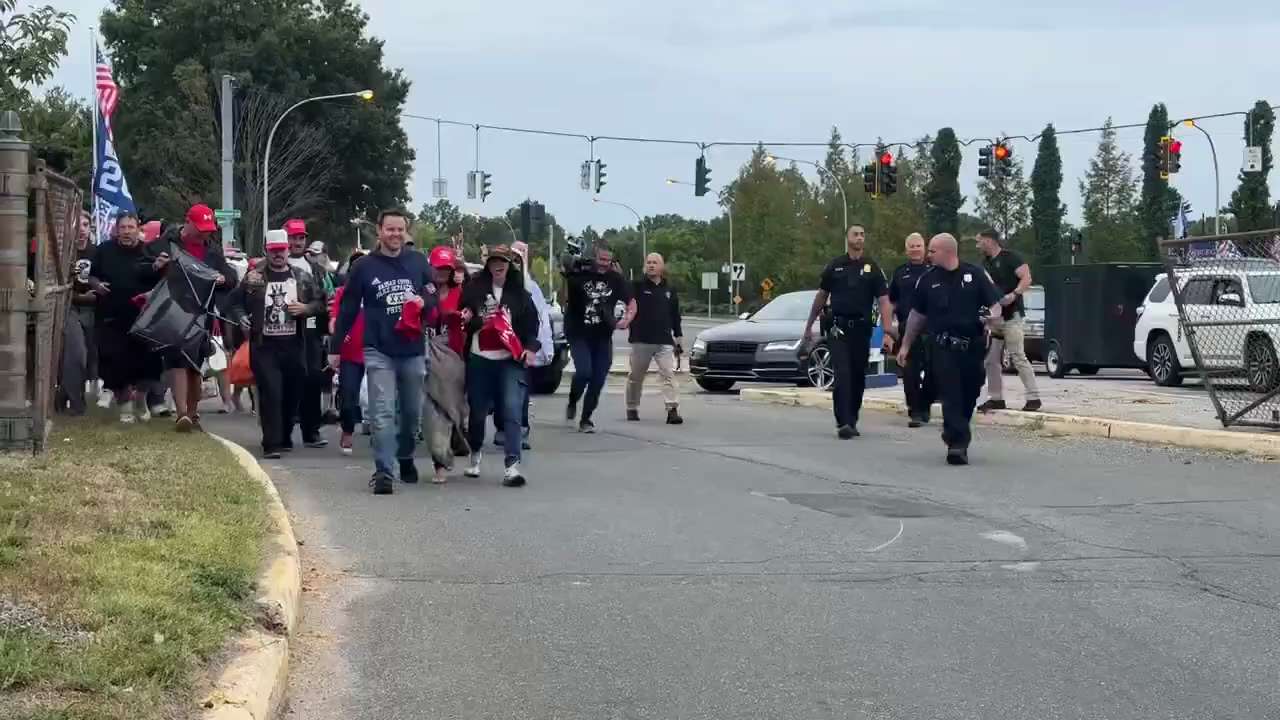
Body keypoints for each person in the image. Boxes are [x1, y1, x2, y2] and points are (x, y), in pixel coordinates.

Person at [331, 209, 434, 495]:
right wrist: (335, 347)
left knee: (411, 414)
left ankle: (405, 454)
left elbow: (433, 294)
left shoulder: (417, 261)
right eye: (390, 229)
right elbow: (348, 308)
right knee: (382, 412)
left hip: (412, 349)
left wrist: (424, 302)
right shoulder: (364, 267)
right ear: (379, 232)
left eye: (400, 229)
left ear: (406, 231)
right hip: (378, 350)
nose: (395, 234)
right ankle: (384, 471)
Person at [897, 233, 1002, 465]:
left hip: (972, 347)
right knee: (951, 393)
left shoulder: (975, 275)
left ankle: (953, 430)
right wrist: (905, 345)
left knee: (970, 393)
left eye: (932, 251)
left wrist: (990, 317)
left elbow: (995, 305)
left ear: (947, 252)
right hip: (943, 348)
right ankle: (957, 444)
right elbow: (917, 316)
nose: (928, 255)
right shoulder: (927, 280)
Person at [230, 231, 324, 458]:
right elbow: (235, 302)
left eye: (281, 250)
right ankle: (271, 442)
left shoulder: (301, 276)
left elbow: (320, 302)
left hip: (294, 344)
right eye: (273, 251)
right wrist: (242, 317)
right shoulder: (254, 277)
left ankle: (284, 435)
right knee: (271, 391)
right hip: (264, 345)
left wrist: (306, 308)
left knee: (292, 392)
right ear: (266, 251)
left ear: (287, 250)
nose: (278, 255)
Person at [146, 204, 238, 431]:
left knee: (195, 366)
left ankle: (192, 413)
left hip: (201, 315)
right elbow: (142, 268)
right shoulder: (165, 244)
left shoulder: (212, 251)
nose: (204, 234)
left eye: (208, 230)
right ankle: (182, 414)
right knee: (177, 359)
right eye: (200, 229)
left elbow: (231, 277)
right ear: (187, 222)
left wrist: (222, 279)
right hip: (173, 311)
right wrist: (156, 266)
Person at [803, 224, 895, 439]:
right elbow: (821, 296)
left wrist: (888, 331)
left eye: (862, 234)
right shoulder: (835, 266)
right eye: (855, 234)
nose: (859, 238)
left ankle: (852, 418)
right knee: (842, 374)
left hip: (861, 329)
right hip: (839, 328)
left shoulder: (872, 267)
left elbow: (883, 300)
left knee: (857, 376)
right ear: (847, 238)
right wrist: (809, 325)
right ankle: (843, 421)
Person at [459, 245, 541, 487]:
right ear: (488, 264)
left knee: (512, 411)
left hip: (510, 360)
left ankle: (512, 466)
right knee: (477, 412)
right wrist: (476, 320)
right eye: (494, 261)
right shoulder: (474, 289)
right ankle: (475, 453)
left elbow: (532, 327)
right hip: (480, 359)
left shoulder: (521, 294)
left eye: (503, 261)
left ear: (509, 265)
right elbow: (463, 321)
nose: (498, 265)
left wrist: (531, 349)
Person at [87, 212, 164, 422]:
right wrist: (97, 285)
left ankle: (142, 400)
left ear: (138, 229)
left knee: (146, 363)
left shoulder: (148, 251)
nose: (127, 232)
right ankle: (125, 407)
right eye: (123, 228)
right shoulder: (104, 250)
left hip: (143, 318)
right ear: (116, 230)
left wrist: (159, 267)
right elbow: (92, 276)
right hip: (112, 315)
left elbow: (160, 279)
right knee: (116, 361)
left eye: (131, 227)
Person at [563, 242, 633, 433]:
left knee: (598, 379)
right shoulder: (580, 274)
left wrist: (627, 319)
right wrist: (572, 266)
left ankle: (586, 419)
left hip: (602, 335)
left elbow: (631, 300)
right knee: (584, 372)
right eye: (601, 259)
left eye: (608, 260)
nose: (604, 264)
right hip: (579, 332)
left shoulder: (615, 278)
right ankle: (573, 400)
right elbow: (567, 282)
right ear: (594, 257)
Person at [976, 229, 1042, 412]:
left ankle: (1034, 398)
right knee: (991, 360)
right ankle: (996, 398)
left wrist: (1014, 295)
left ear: (990, 240)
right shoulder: (984, 264)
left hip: (1012, 317)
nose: (978, 245)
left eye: (980, 241)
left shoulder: (1011, 258)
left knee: (1018, 356)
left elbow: (1027, 277)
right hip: (995, 320)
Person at [499, 240, 553, 450]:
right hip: (496, 346)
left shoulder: (530, 288)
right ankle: (502, 427)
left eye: (518, 259)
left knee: (519, 391)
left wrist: (542, 347)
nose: (514, 263)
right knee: (500, 391)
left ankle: (521, 429)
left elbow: (541, 319)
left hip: (521, 348)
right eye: (511, 259)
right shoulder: (493, 285)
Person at [423, 245, 468, 484]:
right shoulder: (422, 291)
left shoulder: (461, 293)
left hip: (453, 358)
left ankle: (457, 437)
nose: (441, 272)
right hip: (425, 354)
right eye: (437, 267)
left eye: (446, 268)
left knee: (451, 409)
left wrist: (465, 317)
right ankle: (439, 462)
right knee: (433, 414)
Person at [626, 252, 684, 425]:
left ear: (662, 267)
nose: (651, 265)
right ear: (645, 266)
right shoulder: (636, 286)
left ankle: (672, 409)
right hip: (641, 339)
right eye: (649, 262)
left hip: (664, 340)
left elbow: (675, 315)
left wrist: (678, 336)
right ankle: (632, 406)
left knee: (668, 374)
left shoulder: (669, 289)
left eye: (655, 262)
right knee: (636, 377)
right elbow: (623, 299)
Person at [888, 232, 935, 428]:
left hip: (931, 330)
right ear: (906, 250)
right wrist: (888, 329)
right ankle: (915, 411)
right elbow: (891, 302)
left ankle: (925, 406)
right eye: (912, 246)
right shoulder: (900, 273)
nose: (915, 249)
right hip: (907, 330)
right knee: (910, 374)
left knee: (934, 372)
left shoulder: (934, 270)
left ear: (924, 248)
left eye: (918, 246)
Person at [331, 250, 368, 455]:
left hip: (375, 350)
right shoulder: (342, 293)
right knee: (348, 395)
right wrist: (337, 339)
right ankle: (347, 430)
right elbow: (334, 320)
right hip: (350, 352)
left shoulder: (377, 291)